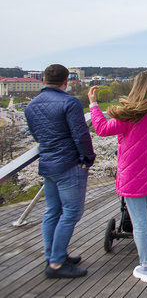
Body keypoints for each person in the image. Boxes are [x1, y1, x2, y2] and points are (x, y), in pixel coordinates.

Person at [88, 71, 147, 283]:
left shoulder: (130, 113)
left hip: (132, 175)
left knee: (138, 223)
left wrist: (93, 105)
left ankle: (146, 267)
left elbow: (101, 128)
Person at [25, 64, 95, 279]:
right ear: (66, 81)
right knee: (72, 212)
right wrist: (87, 158)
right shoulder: (69, 102)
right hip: (69, 163)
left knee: (52, 211)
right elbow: (80, 134)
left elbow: (37, 135)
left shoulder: (31, 106)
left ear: (44, 80)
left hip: (48, 163)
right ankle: (56, 263)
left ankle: (55, 255)